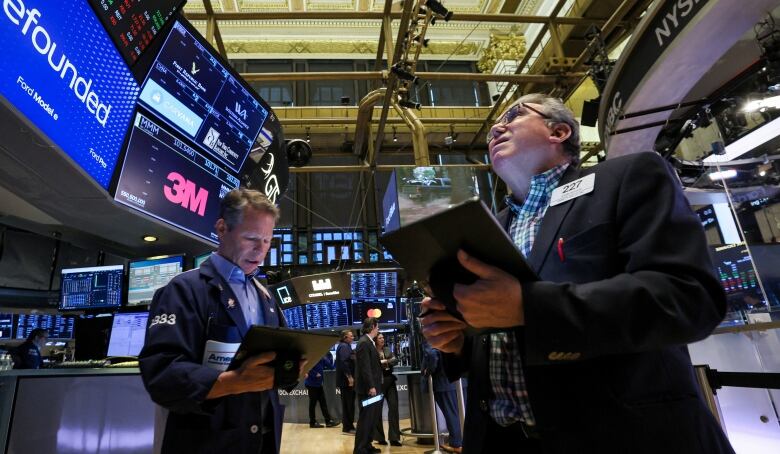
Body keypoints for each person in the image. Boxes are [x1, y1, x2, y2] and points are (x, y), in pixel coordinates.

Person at [420, 94, 734, 453]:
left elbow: (689, 297)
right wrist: (459, 342)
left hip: (621, 436)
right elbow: (501, 333)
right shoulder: (491, 227)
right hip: (499, 440)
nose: (495, 127)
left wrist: (529, 307)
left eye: (514, 115)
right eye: (495, 123)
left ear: (559, 131)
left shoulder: (627, 177)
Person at [139, 188, 300, 454]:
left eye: (267, 241)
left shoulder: (265, 295)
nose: (261, 250)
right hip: (206, 442)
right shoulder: (184, 289)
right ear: (222, 228)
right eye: (251, 238)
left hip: (262, 440)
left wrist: (293, 366)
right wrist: (236, 381)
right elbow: (162, 375)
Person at [421, 340, 462, 454]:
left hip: (443, 382)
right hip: (457, 381)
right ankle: (459, 442)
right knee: (459, 413)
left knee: (451, 414)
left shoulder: (432, 334)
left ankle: (457, 444)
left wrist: (427, 371)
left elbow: (432, 355)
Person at [353, 318, 383, 454]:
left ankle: (367, 445)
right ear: (372, 327)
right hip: (368, 389)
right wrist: (371, 386)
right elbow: (365, 368)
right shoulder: (364, 343)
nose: (378, 330)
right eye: (377, 327)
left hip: (374, 388)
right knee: (366, 418)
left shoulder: (368, 342)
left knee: (372, 417)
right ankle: (360, 448)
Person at [372, 332, 402, 447]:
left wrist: (385, 362)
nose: (382, 339)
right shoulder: (372, 351)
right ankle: (379, 437)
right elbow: (373, 365)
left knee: (393, 408)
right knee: (377, 410)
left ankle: (394, 438)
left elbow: (395, 360)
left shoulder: (387, 349)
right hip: (378, 383)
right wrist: (382, 363)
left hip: (390, 381)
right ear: (375, 340)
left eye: (383, 337)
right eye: (380, 338)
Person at [305, 353, 339, 428]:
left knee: (323, 403)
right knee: (313, 403)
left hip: (319, 384)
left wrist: (336, 363)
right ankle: (312, 422)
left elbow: (331, 366)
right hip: (311, 384)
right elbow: (307, 367)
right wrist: (315, 374)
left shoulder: (322, 358)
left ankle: (328, 422)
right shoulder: (312, 358)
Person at [336, 329, 357, 433]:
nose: (353, 337)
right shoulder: (344, 347)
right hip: (346, 381)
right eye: (351, 336)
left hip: (346, 381)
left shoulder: (346, 346)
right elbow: (344, 363)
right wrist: (350, 377)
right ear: (345, 337)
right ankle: (347, 427)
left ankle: (349, 426)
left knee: (349, 404)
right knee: (348, 404)